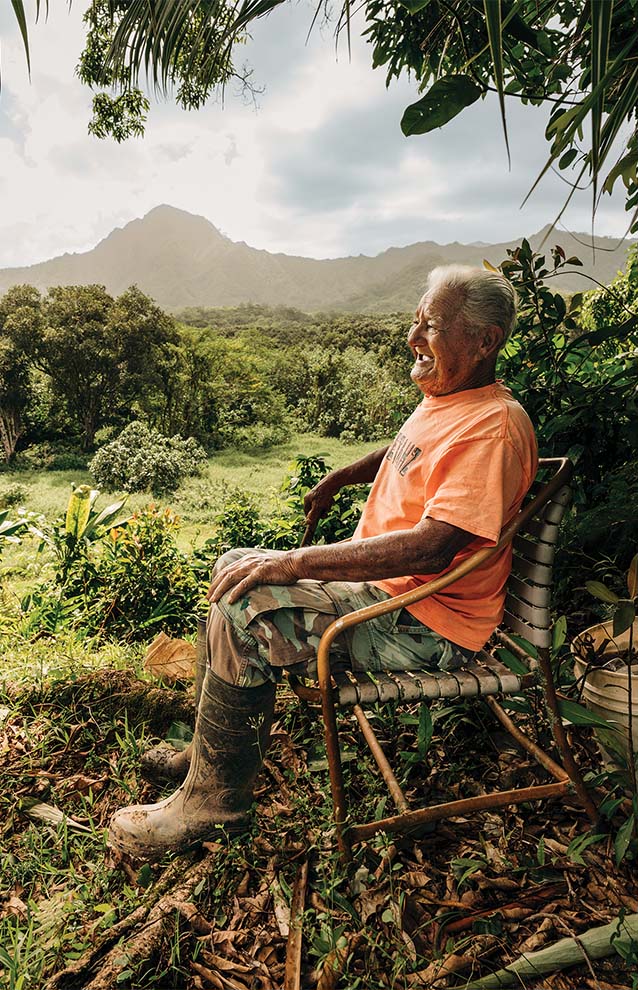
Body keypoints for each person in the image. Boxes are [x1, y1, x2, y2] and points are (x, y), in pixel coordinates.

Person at [108, 265, 537, 860]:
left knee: (247, 605)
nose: (413, 339)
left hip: (422, 623)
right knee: (236, 564)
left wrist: (296, 563)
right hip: (391, 596)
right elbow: (411, 450)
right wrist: (345, 474)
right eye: (415, 321)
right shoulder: (455, 398)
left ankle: (214, 805)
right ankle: (209, 753)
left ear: (484, 341)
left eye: (431, 327)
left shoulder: (492, 429)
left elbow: (434, 546)